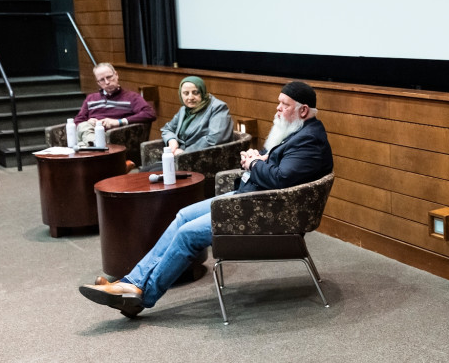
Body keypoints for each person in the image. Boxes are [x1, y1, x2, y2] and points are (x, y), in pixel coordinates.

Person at [78, 81, 334, 317]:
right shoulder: (296, 131)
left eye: (284, 104)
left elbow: (280, 179)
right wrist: (259, 158)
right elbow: (278, 165)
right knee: (182, 215)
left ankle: (141, 297)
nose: (277, 109)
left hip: (264, 210)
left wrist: (254, 163)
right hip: (252, 198)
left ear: (302, 111)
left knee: (188, 234)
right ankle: (131, 283)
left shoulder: (310, 140)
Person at [143, 76, 234, 171]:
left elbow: (215, 138)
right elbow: (167, 128)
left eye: (195, 92)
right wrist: (171, 140)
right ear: (180, 94)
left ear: (202, 92)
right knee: (144, 172)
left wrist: (185, 153)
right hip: (179, 158)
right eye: (186, 93)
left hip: (200, 159)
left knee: (152, 174)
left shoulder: (217, 107)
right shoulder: (184, 109)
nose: (190, 97)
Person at [74, 62, 157, 145]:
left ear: (116, 75)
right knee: (83, 126)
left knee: (81, 143)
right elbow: (77, 121)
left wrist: (118, 122)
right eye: (102, 80)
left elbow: (149, 113)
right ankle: (95, 145)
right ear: (98, 83)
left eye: (109, 77)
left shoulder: (132, 97)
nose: (107, 82)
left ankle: (94, 145)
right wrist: (89, 122)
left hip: (115, 139)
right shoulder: (91, 98)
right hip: (91, 133)